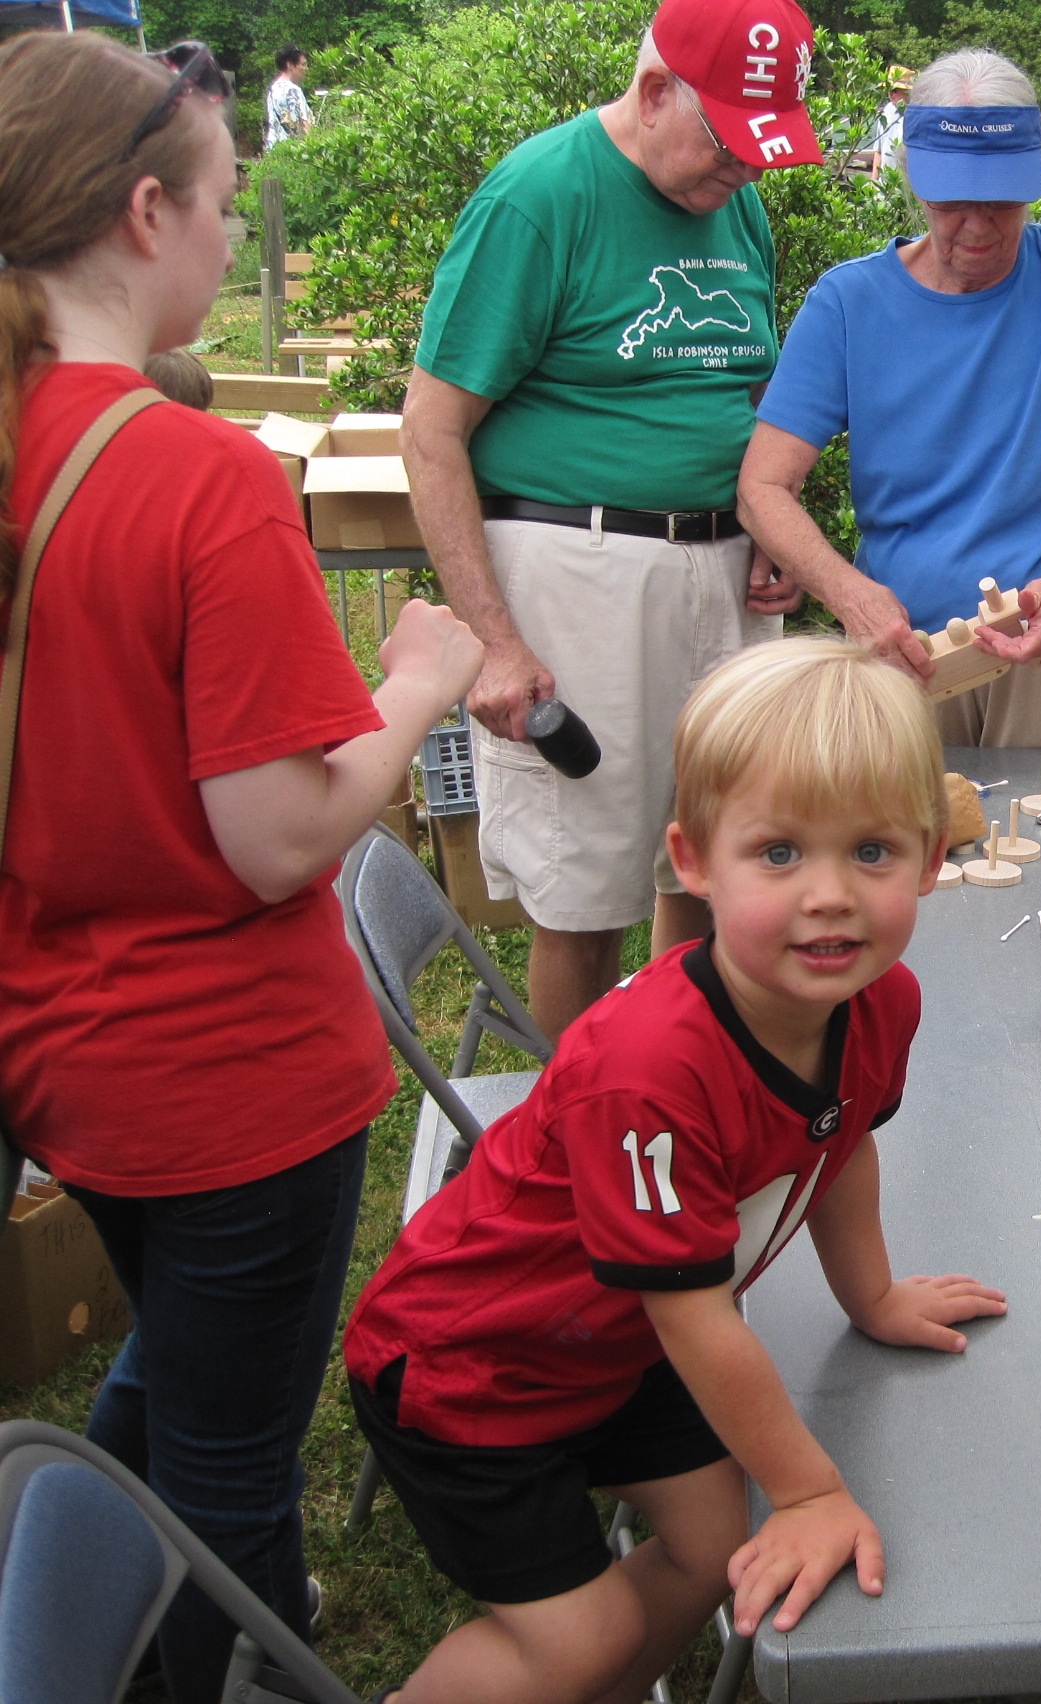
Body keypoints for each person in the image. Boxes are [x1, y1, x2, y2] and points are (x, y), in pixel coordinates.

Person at [0, 33, 483, 1703]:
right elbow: (273, 834)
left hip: (68, 1057)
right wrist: (416, 677)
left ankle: (61, 1598)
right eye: (222, 200)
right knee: (231, 1487)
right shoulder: (196, 475)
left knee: (174, 1384)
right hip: (230, 1081)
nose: (229, 230)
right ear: (147, 212)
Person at [344, 638, 1007, 1704]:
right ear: (694, 862)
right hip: (473, 1370)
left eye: (873, 853)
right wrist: (808, 1492)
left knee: (708, 1548)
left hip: (616, 1349)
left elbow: (840, 1148)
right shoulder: (648, 1073)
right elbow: (694, 1319)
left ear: (932, 861)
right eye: (779, 854)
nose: (829, 896)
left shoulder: (880, 1003)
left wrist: (871, 1295)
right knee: (580, 1636)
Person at [401, 0, 820, 1041]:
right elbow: (430, 430)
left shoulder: (737, 201)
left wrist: (770, 525)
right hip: (577, 569)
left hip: (720, 568)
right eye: (730, 145)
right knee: (583, 886)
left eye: (766, 152)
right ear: (652, 91)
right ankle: (573, 1136)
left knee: (714, 852)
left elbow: (736, 391)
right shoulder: (542, 195)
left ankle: (678, 1096)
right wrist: (495, 645)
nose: (747, 174)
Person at [742, 49, 1041, 752]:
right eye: (951, 202)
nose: (976, 227)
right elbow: (762, 485)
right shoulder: (849, 302)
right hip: (905, 648)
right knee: (904, 854)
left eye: (1001, 200)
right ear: (912, 177)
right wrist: (851, 597)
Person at [263, 44, 311, 150]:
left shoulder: (273, 88)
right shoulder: (293, 90)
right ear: (290, 65)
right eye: (303, 65)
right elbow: (303, 125)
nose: (306, 69)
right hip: (292, 150)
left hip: (273, 148)